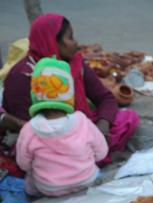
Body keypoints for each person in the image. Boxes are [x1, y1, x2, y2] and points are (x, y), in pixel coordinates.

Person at [2, 13, 139, 165]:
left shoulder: (74, 63)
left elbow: (105, 98)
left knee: (127, 118)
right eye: (70, 38)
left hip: (77, 130)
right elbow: (30, 130)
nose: (76, 43)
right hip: (45, 140)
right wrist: (76, 140)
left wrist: (102, 127)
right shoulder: (22, 76)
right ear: (53, 41)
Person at [16, 57, 108, 197]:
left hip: (49, 188)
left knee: (29, 183)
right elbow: (101, 153)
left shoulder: (29, 130)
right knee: (96, 172)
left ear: (35, 94)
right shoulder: (82, 121)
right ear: (69, 94)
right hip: (86, 180)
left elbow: (23, 164)